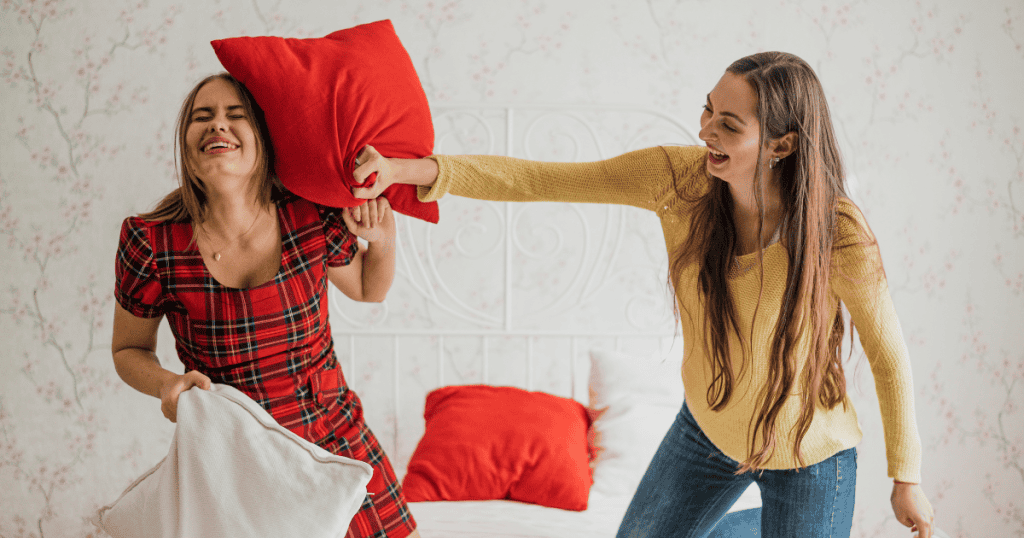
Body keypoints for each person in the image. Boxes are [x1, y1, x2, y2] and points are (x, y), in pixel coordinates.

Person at [350, 52, 935, 538]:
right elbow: (539, 179)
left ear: (782, 145)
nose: (705, 130)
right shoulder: (676, 180)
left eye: (729, 124)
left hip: (811, 454)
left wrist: (904, 475)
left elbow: (889, 355)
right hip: (709, 429)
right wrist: (409, 170)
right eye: (708, 109)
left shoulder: (836, 231)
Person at [110, 73, 420, 538]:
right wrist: (169, 385)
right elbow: (127, 351)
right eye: (202, 117)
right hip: (236, 464)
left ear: (262, 140)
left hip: (335, 440)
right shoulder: (150, 240)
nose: (218, 126)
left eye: (236, 117)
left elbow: (367, 288)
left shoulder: (309, 211)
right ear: (187, 147)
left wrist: (384, 241)